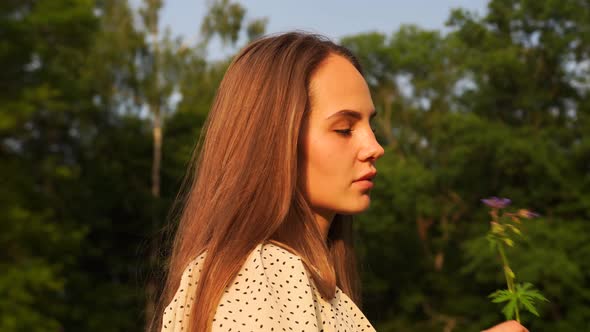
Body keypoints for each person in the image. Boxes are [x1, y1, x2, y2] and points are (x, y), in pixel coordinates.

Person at [151, 32, 528, 332]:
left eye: (371, 125)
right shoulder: (265, 272)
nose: (375, 147)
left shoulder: (304, 282)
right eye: (345, 129)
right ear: (273, 142)